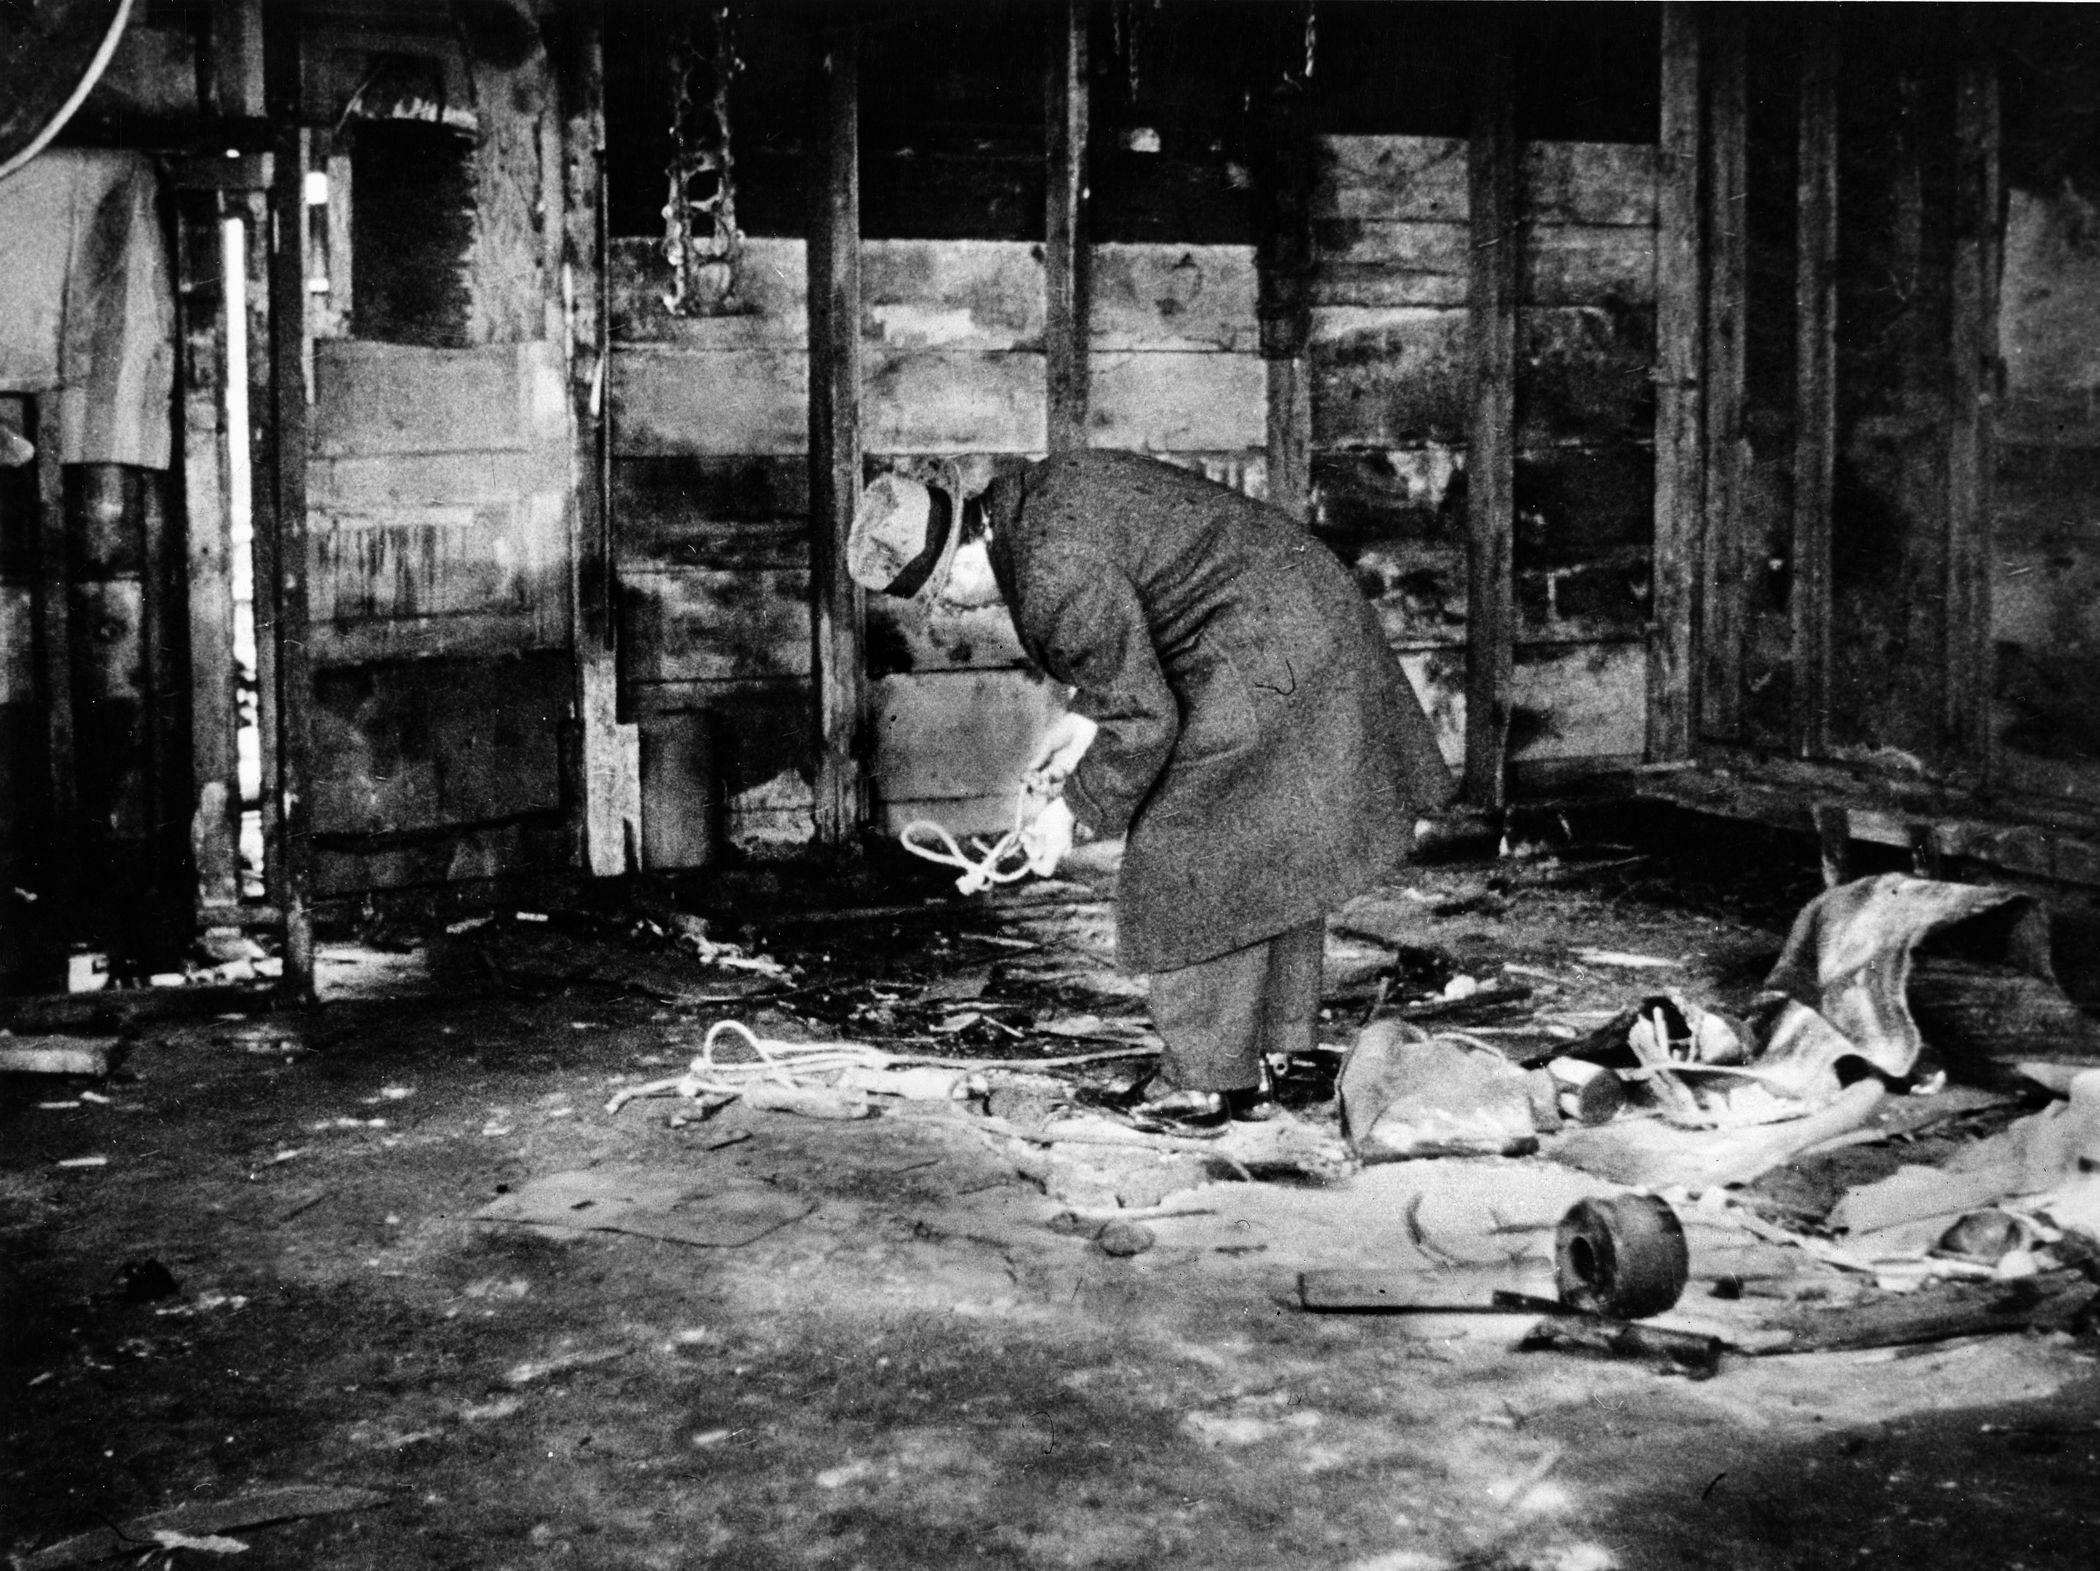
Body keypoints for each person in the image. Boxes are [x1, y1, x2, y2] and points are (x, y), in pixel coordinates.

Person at [849, 450, 1455, 1130]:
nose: (954, 610)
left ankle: (1199, 1084)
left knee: (1183, 852)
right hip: (1295, 613)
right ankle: (1276, 1055)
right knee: (1269, 848)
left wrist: (1071, 812)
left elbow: (1144, 717)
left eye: (942, 597)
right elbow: (1142, 604)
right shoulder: (1036, 498)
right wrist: (1079, 724)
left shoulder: (1050, 573)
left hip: (1262, 648)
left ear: (960, 560)